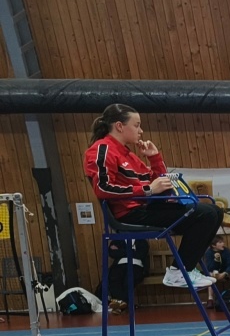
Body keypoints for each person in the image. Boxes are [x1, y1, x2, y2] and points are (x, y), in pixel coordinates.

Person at [83, 104, 222, 290]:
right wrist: (148, 190)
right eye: (136, 125)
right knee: (205, 213)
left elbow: (160, 183)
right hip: (129, 214)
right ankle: (179, 272)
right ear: (119, 126)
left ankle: (185, 269)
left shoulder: (129, 155)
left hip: (145, 207)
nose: (141, 131)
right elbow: (103, 188)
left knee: (215, 211)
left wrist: (154, 158)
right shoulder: (101, 149)